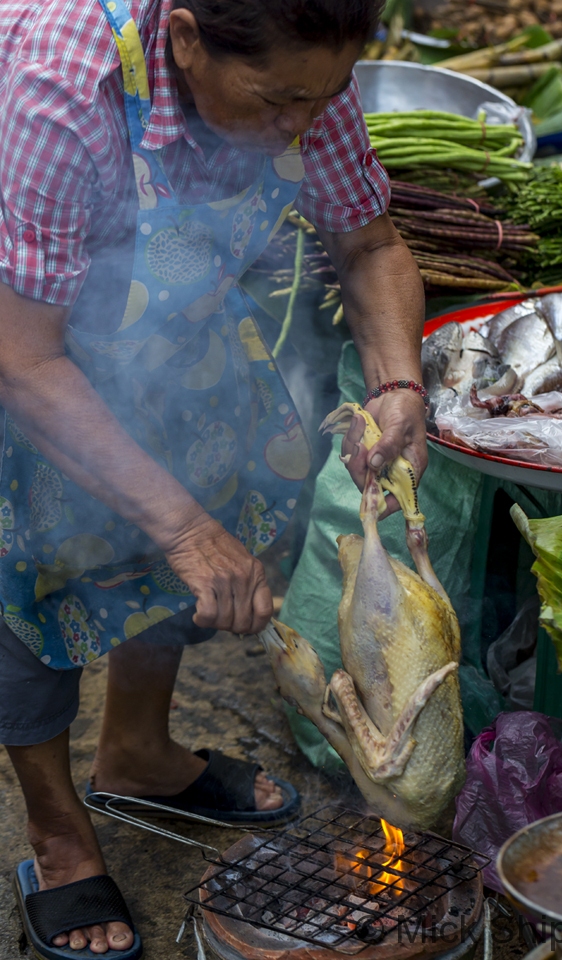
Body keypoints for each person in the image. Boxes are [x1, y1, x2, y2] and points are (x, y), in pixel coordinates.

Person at [0, 0, 428, 955]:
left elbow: (371, 245)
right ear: (186, 38)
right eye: (276, 100)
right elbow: (24, 359)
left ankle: (139, 751)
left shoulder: (309, 80)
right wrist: (184, 530)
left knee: (212, 498)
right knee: (27, 576)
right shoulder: (61, 91)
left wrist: (398, 381)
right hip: (18, 338)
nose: (301, 125)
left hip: (164, 331)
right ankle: (60, 833)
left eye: (320, 99)